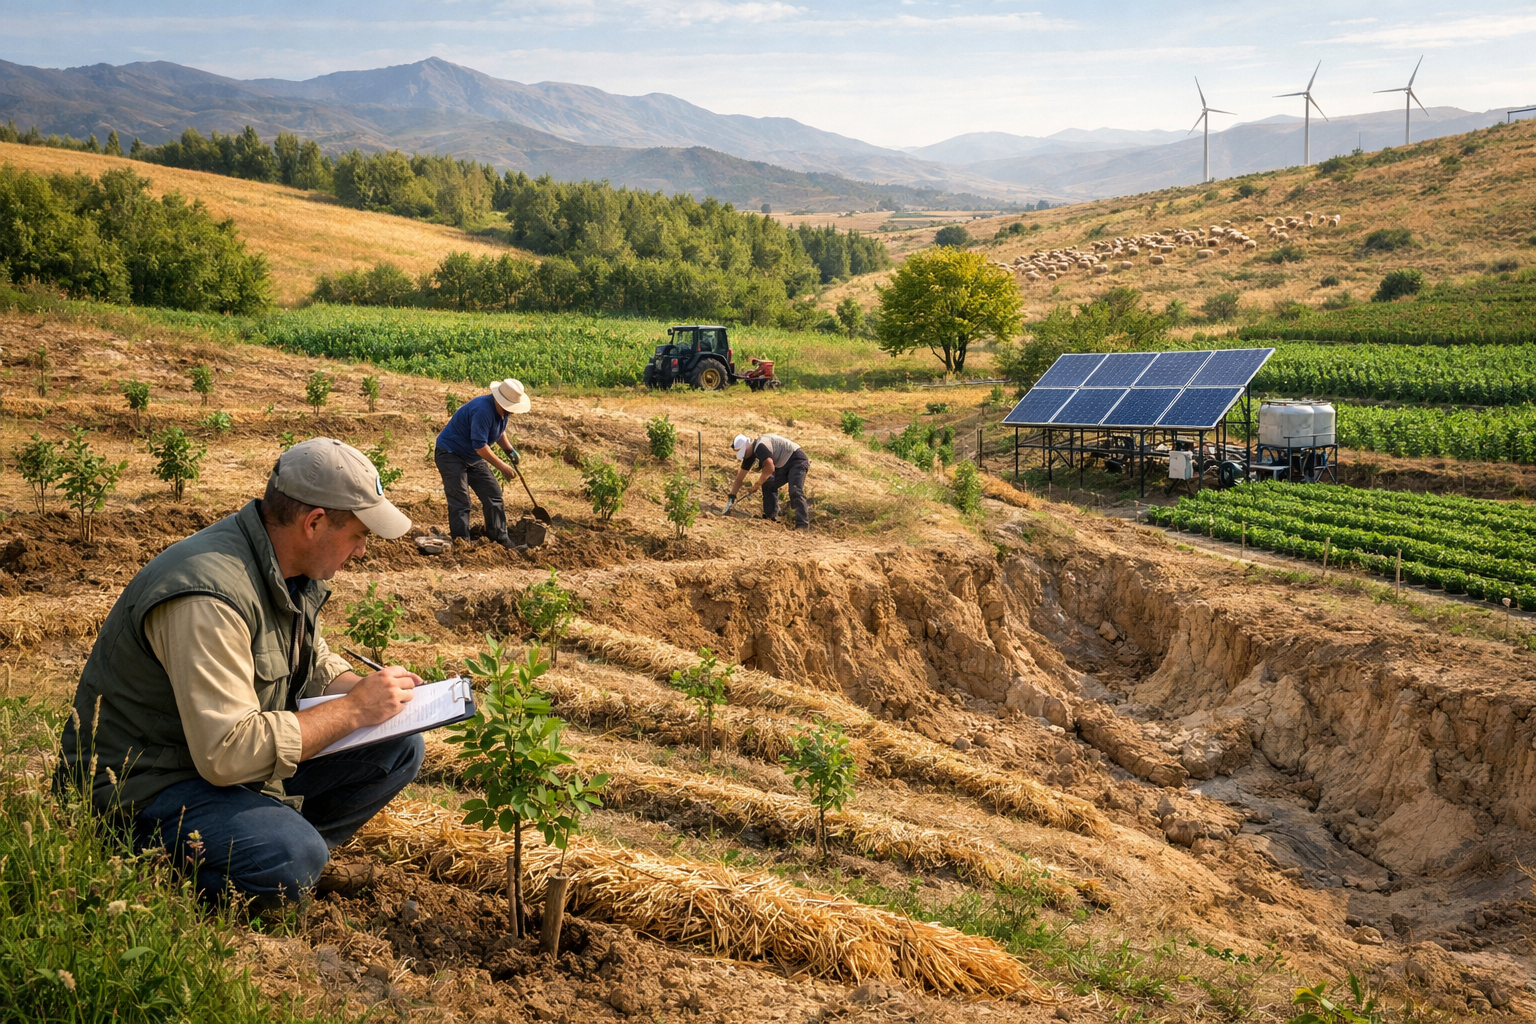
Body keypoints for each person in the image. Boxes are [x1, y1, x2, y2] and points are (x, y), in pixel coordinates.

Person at [58, 438, 424, 908]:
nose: (361, 550)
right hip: (142, 787)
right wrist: (352, 711)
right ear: (314, 523)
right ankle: (170, 870)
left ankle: (269, 855)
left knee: (398, 743)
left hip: (211, 769)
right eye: (358, 535)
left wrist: (372, 693)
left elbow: (309, 662)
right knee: (290, 855)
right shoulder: (207, 596)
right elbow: (227, 752)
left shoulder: (286, 570)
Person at [434, 379, 531, 547]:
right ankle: (462, 543)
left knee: (493, 494)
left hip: (471, 456)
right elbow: (480, 446)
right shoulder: (483, 410)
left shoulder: (502, 412)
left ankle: (500, 539)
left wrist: (510, 450)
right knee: (461, 500)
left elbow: (498, 432)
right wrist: (502, 466)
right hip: (450, 454)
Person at [728, 432, 810, 529]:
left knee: (795, 490)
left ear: (747, 445)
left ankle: (802, 525)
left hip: (797, 460)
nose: (743, 456)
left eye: (743, 452)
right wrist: (732, 496)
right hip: (783, 464)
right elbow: (739, 478)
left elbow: (770, 468)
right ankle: (771, 517)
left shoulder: (760, 447)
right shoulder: (749, 454)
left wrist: (757, 484)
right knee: (768, 484)